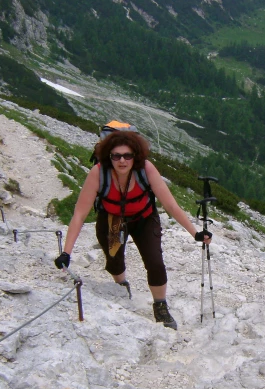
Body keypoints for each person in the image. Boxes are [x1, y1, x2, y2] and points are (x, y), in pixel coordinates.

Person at [54, 123, 211, 330]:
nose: (122, 160)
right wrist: (66, 252)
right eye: (116, 156)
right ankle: (121, 286)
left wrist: (195, 233)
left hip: (144, 218)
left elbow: (170, 205)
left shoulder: (145, 169)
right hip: (112, 218)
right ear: (108, 156)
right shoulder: (98, 173)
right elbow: (79, 214)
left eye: (127, 156)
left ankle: (160, 306)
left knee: (155, 261)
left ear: (135, 156)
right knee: (114, 259)